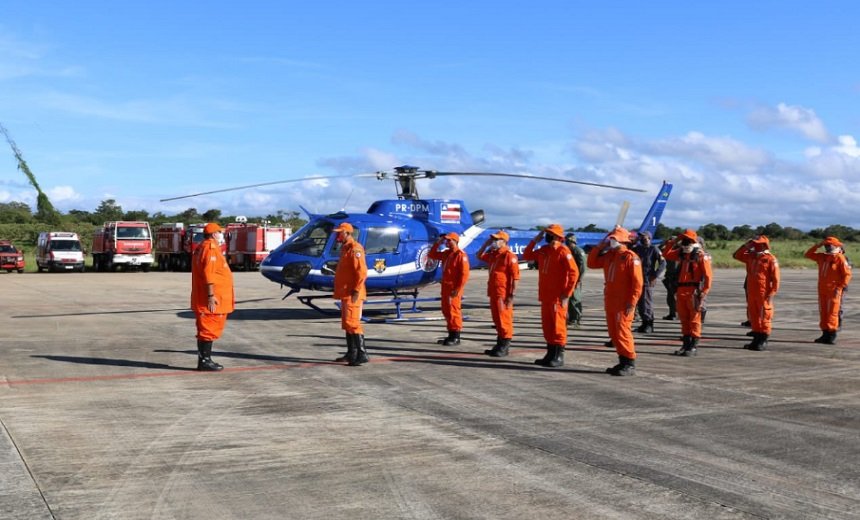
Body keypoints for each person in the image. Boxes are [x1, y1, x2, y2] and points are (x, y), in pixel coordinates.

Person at [587, 227, 643, 376]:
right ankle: (622, 361)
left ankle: (629, 363)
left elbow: (637, 283)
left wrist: (632, 303)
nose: (611, 241)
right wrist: (600, 245)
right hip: (610, 300)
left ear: (622, 240)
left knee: (622, 332)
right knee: (614, 332)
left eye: (614, 239)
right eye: (610, 239)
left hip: (623, 302)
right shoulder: (610, 256)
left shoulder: (630, 257)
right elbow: (591, 263)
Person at [522, 224, 579, 367]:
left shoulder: (563, 251)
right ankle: (550, 353)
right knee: (547, 326)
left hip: (557, 297)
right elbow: (526, 255)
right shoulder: (544, 250)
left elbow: (574, 273)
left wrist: (567, 293)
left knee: (558, 326)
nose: (547, 236)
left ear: (558, 237)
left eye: (550, 234)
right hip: (546, 295)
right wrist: (536, 239)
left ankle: (558, 355)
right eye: (547, 233)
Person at [190, 222, 234, 371]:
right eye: (220, 232)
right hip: (211, 299)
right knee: (208, 329)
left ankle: (205, 360)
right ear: (215, 234)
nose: (221, 235)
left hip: (208, 297)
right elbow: (209, 274)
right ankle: (204, 361)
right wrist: (211, 295)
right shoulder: (211, 249)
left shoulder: (202, 247)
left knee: (208, 329)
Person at [662, 229, 712, 356]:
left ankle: (693, 346)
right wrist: (675, 241)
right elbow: (666, 253)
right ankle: (686, 344)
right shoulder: (681, 254)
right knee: (684, 319)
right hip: (681, 290)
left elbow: (708, 276)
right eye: (683, 242)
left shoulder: (701, 256)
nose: (685, 245)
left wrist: (704, 292)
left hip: (694, 291)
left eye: (688, 242)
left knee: (694, 320)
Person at [732, 235, 780, 350]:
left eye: (757, 244)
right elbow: (736, 255)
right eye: (754, 244)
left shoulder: (770, 259)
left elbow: (776, 279)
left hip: (763, 293)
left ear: (764, 245)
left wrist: (772, 293)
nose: (755, 246)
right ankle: (756, 338)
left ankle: (763, 339)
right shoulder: (751, 257)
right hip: (752, 291)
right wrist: (746, 246)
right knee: (754, 316)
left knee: (764, 316)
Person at [477, 230, 520, 357]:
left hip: (503, 294)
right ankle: (499, 343)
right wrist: (485, 244)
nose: (494, 242)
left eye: (496, 239)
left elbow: (515, 278)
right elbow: (479, 256)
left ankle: (505, 345)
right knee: (497, 320)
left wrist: (512, 295)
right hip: (494, 293)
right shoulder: (494, 255)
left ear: (504, 241)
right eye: (493, 239)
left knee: (504, 320)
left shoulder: (509, 256)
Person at [332, 222, 369, 365]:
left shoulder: (355, 249)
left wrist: (356, 290)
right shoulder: (345, 249)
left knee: (353, 323)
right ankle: (351, 353)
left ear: (347, 233)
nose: (337, 235)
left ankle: (362, 353)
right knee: (347, 324)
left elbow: (362, 272)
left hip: (353, 293)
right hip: (345, 292)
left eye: (339, 232)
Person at [804, 237, 852, 345]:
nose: (827, 247)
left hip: (834, 290)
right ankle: (825, 333)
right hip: (822, 289)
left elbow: (847, 275)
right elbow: (808, 254)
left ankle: (831, 334)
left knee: (832, 312)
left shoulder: (840, 258)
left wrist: (840, 287)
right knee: (823, 312)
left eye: (829, 245)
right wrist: (818, 245)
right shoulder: (822, 257)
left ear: (835, 246)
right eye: (825, 245)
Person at [429, 232, 470, 346]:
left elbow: (464, 275)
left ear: (455, 241)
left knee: (453, 311)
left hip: (453, 288)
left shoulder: (461, 255)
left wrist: (457, 289)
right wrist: (438, 242)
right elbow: (432, 254)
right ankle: (451, 334)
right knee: (446, 311)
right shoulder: (447, 253)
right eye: (446, 240)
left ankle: (456, 336)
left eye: (449, 240)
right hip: (446, 287)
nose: (447, 242)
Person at [631, 231, 666, 333]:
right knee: (640, 304)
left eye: (645, 237)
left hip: (647, 280)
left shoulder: (654, 249)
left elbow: (663, 263)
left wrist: (655, 275)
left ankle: (649, 324)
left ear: (650, 238)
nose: (643, 239)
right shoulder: (637, 248)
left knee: (646, 303)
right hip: (637, 279)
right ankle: (643, 323)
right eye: (641, 237)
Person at [564, 233, 587, 328]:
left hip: (576, 278)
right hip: (569, 278)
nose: (566, 242)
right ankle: (572, 318)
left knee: (575, 298)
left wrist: (579, 280)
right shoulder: (569, 251)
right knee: (570, 298)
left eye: (568, 240)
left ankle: (576, 319)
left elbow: (582, 267)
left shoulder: (578, 251)